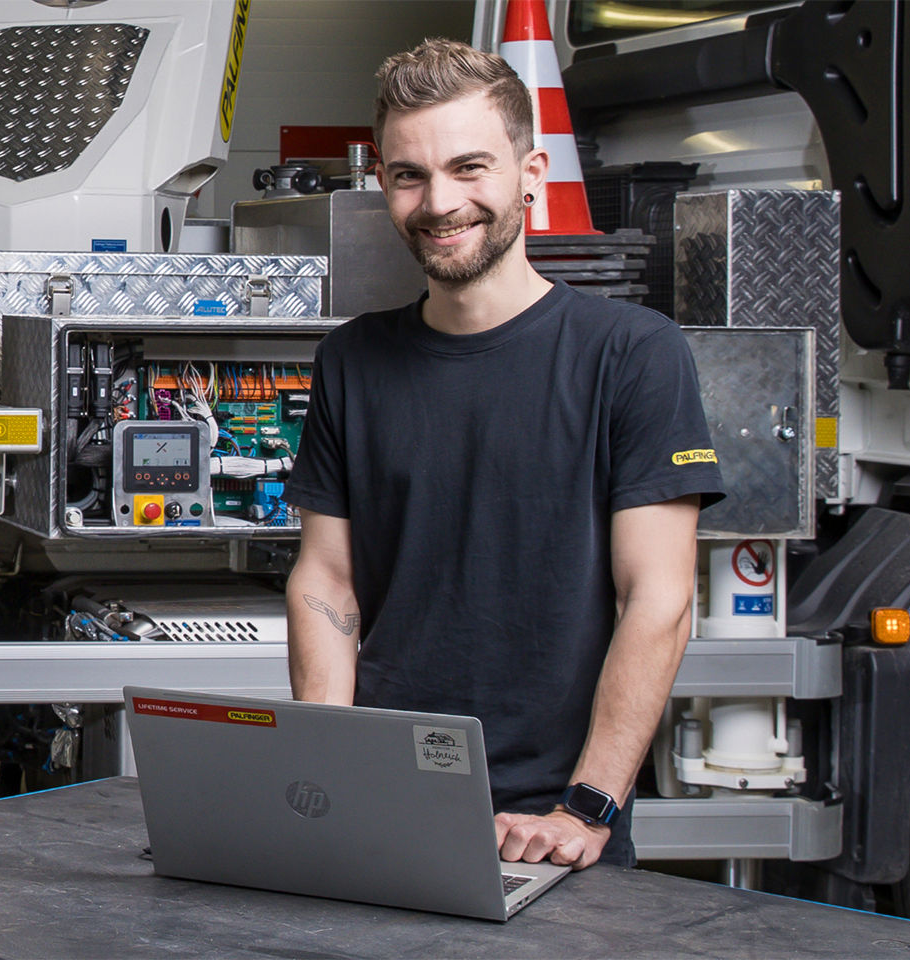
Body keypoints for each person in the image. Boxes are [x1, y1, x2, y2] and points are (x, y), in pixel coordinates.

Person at [282, 38, 724, 870]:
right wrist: (328, 768)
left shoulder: (632, 354)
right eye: (410, 175)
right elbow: (327, 579)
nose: (440, 202)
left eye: (470, 167)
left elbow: (658, 599)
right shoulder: (353, 360)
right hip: (385, 809)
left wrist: (585, 808)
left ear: (532, 171)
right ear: (384, 184)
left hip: (549, 830)